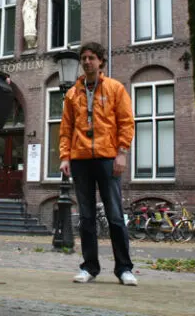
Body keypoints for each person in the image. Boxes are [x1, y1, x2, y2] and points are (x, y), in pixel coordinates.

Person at [58, 41, 137, 286]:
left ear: (101, 61)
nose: (87, 62)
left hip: (107, 158)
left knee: (114, 215)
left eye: (92, 57)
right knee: (86, 217)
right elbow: (66, 128)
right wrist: (64, 156)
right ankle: (89, 267)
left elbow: (126, 121)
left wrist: (122, 152)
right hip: (81, 159)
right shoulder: (72, 94)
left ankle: (124, 268)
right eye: (84, 58)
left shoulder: (115, 89)